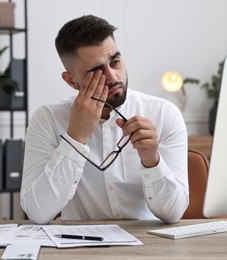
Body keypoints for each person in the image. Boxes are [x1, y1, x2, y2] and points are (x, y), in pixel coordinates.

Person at [20, 15, 189, 224]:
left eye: (115, 62)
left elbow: (173, 213)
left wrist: (152, 160)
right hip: (80, 249)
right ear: (71, 80)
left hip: (148, 248)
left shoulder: (164, 114)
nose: (113, 77)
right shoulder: (47, 120)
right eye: (96, 72)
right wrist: (75, 137)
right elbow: (37, 212)